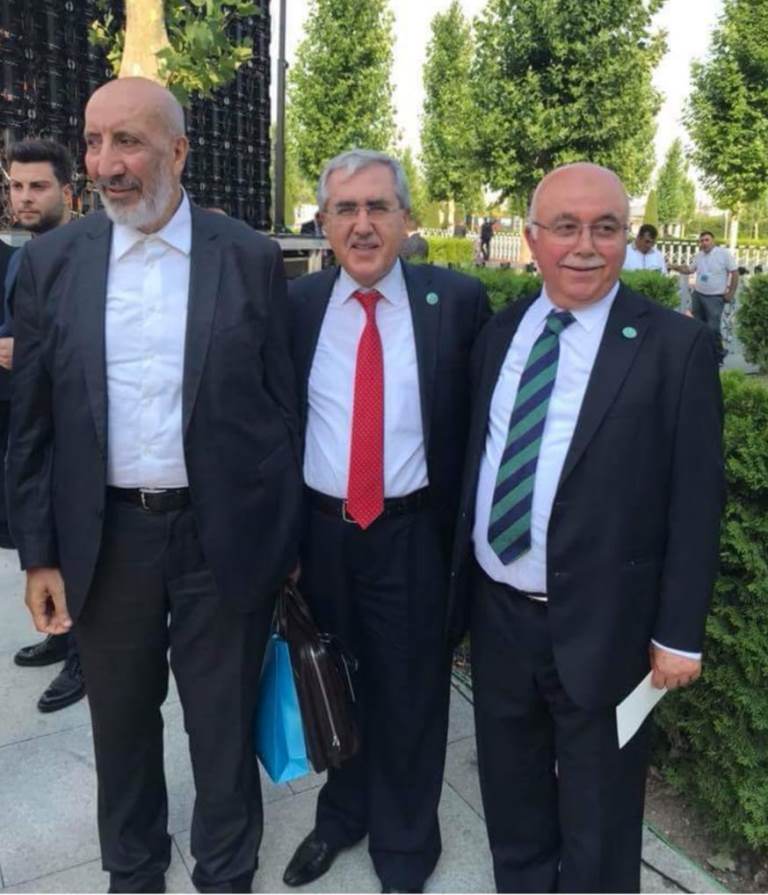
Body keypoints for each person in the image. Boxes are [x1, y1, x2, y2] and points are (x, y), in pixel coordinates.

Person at [7, 77, 301, 894]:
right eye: (94, 141)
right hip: (106, 540)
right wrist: (39, 553)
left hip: (220, 537)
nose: (105, 163)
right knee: (122, 724)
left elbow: (282, 414)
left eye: (128, 141)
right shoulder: (52, 263)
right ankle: (133, 868)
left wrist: (283, 542)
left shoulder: (245, 257)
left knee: (221, 721)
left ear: (178, 150)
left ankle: (227, 867)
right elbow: (32, 422)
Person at [448, 163, 724, 893]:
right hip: (499, 616)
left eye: (605, 227)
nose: (585, 245)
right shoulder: (500, 332)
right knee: (511, 794)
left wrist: (679, 634)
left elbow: (697, 501)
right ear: (532, 238)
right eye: (565, 226)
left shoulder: (674, 348)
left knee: (601, 814)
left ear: (626, 238)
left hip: (609, 626)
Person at [283, 149, 490, 893]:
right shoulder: (298, 307)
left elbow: (480, 425)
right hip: (322, 535)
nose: (363, 224)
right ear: (324, 222)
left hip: (411, 534)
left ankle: (405, 845)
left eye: (379, 207)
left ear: (406, 219)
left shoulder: (455, 302)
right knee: (334, 679)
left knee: (411, 692)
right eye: (346, 209)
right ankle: (342, 815)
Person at [4, 139, 86, 714]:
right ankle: (58, 632)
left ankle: (83, 656)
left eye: (38, 186)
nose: (24, 198)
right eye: (16, 186)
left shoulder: (84, 257)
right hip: (32, 424)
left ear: (68, 192)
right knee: (43, 541)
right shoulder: (22, 257)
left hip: (76, 433)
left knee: (79, 545)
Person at [669, 230, 738, 363]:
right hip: (698, 295)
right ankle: (703, 352)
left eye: (707, 240)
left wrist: (731, 293)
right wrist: (673, 267)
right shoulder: (699, 255)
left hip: (715, 298)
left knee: (713, 328)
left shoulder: (723, 254)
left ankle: (718, 353)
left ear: (713, 241)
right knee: (699, 325)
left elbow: (735, 273)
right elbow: (689, 270)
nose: (704, 243)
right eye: (701, 241)